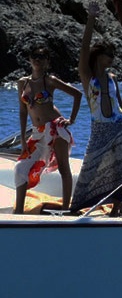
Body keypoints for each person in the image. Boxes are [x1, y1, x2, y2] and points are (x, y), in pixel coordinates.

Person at [71, 0, 122, 217]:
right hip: (100, 129)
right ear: (99, 55)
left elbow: (120, 104)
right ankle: (77, 206)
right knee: (89, 168)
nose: (112, 58)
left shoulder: (112, 78)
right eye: (109, 54)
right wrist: (91, 19)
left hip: (119, 127)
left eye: (113, 55)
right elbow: (83, 48)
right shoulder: (87, 76)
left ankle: (117, 207)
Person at [12, 44, 83, 214]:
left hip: (55, 129)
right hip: (37, 133)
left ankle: (66, 210)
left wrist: (71, 120)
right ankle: (19, 213)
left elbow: (77, 94)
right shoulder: (22, 83)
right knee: (20, 168)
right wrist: (22, 139)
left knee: (63, 168)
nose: (37, 59)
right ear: (29, 60)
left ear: (47, 62)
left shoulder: (50, 80)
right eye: (34, 56)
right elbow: (23, 112)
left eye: (41, 56)